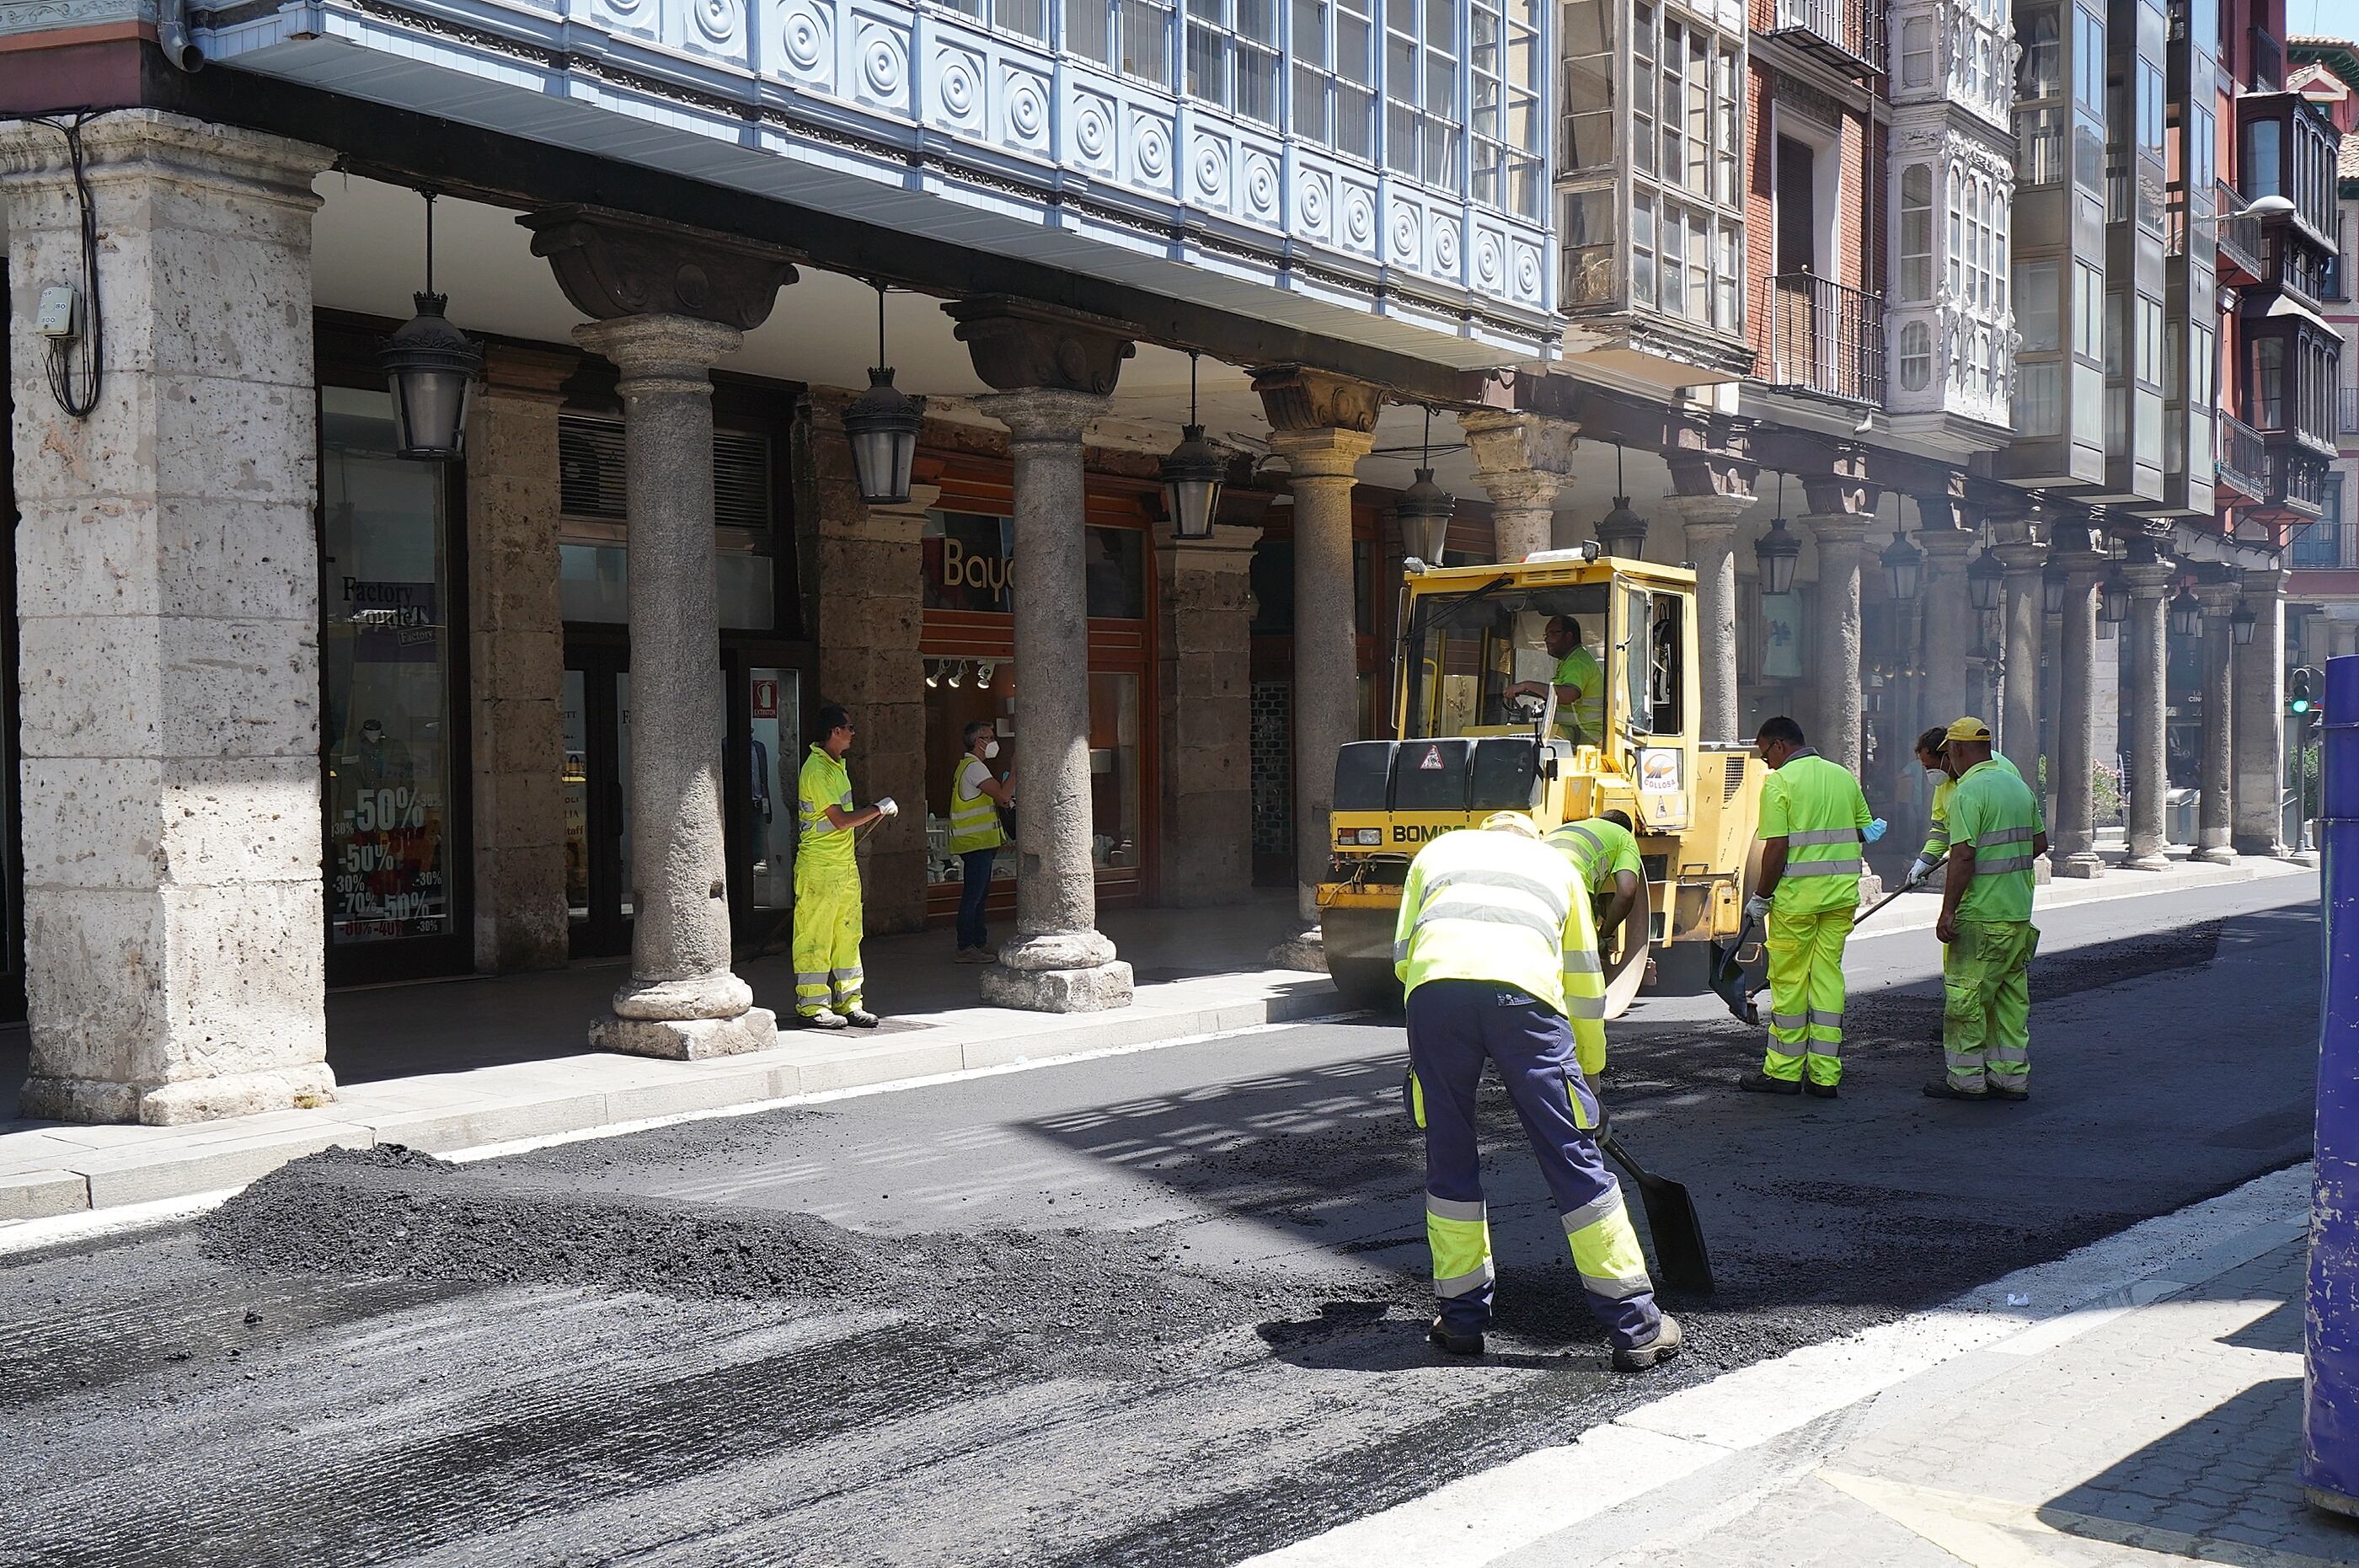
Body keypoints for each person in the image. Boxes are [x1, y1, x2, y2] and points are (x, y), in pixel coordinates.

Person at [1393, 811, 1681, 1371]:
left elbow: (1405, 957)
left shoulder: (1437, 853)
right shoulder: (1555, 865)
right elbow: (1582, 983)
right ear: (1531, 836)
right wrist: (1589, 1082)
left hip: (1436, 995)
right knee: (1570, 1152)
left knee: (1449, 1155)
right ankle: (1636, 1322)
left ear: (1486, 833)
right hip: (1524, 999)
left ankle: (1461, 1320)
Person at [1740, 716, 1871, 1100]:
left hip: (1797, 902)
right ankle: (1825, 1076)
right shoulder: (1842, 777)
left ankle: (1783, 1072)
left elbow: (1776, 848)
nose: (1766, 762)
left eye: (1765, 754)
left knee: (1791, 983)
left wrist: (1761, 897)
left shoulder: (1780, 783)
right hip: (1841, 899)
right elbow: (1864, 829)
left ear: (1779, 745)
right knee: (1828, 979)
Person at [1926, 717, 2046, 1102]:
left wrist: (1948, 912)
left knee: (1967, 999)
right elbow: (2040, 843)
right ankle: (2011, 1078)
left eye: (1949, 754)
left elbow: (1962, 857)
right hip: (2017, 912)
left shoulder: (1968, 792)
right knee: (2010, 1001)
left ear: (1958, 750)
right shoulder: (2018, 786)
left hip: (1980, 915)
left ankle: (1965, 1078)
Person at [794, 704, 896, 1029]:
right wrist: (877, 809)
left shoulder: (836, 766)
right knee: (815, 936)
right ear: (835, 731)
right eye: (849, 727)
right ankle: (813, 1005)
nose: (853, 732)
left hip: (842, 866)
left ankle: (850, 1001)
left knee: (848, 935)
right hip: (819, 867)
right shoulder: (818, 770)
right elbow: (839, 821)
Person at [1543, 807, 1649, 1042]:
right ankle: (1581, 1035)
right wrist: (1604, 934)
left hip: (1529, 879)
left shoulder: (1567, 828)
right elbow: (1627, 890)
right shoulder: (1624, 837)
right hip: (1569, 882)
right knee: (1581, 965)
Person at [947, 720, 1014, 964]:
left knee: (979, 893)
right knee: (974, 895)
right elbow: (1003, 796)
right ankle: (966, 946)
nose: (994, 741)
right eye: (990, 737)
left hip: (978, 843)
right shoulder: (974, 768)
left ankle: (978, 941)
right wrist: (1016, 771)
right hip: (976, 843)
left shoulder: (969, 767)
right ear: (979, 742)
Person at [1504, 615, 1604, 745]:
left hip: (1584, 736)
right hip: (1573, 732)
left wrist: (1526, 685)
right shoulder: (1568, 661)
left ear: (1569, 636)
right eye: (1546, 635)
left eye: (1553, 634)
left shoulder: (1577, 662)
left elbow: (1567, 695)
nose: (1547, 640)